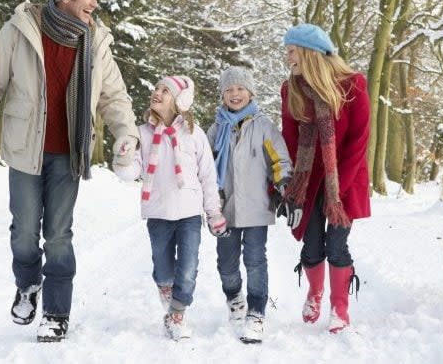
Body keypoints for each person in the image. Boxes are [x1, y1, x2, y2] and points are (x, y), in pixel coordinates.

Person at [0, 0, 139, 342]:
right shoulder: (20, 30)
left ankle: (56, 313)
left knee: (58, 235)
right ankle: (27, 285)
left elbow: (114, 95)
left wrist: (126, 135)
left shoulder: (96, 40)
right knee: (24, 232)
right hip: (26, 147)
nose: (96, 1)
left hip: (69, 152)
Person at [113, 75, 228, 341]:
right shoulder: (142, 133)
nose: (157, 93)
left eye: (165, 90)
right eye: (156, 88)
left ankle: (177, 314)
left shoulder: (194, 134)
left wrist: (214, 213)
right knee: (163, 269)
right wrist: (123, 158)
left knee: (188, 268)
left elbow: (208, 176)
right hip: (158, 212)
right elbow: (133, 172)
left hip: (189, 214)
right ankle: (166, 289)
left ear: (179, 101)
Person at [279, 23, 370, 333]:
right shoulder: (290, 88)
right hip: (310, 182)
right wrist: (289, 185)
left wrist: (338, 190)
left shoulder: (353, 84)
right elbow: (290, 140)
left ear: (309, 52)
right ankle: (315, 293)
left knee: (337, 245)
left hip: (346, 178)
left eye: (291, 51)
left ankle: (339, 306)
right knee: (313, 245)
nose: (287, 57)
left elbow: (358, 141)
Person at [206, 67, 292, 344]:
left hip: (256, 207)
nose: (235, 94)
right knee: (226, 265)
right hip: (224, 210)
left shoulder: (263, 126)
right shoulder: (216, 129)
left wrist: (284, 185)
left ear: (250, 92)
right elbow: (204, 166)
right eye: (229, 89)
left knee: (255, 261)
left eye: (240, 88)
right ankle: (234, 298)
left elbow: (280, 160)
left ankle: (256, 312)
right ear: (222, 95)